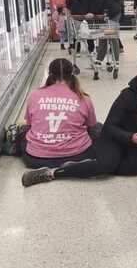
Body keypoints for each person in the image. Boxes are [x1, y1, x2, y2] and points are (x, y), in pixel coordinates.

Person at [20, 58, 119, 187]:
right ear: (72, 74)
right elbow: (91, 126)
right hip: (77, 155)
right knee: (99, 128)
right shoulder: (83, 98)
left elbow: (29, 124)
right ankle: (70, 167)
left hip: (34, 158)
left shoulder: (35, 95)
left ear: (50, 74)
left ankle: (45, 160)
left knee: (24, 133)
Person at [61, 0, 123, 79]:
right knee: (102, 36)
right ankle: (99, 60)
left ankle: (116, 62)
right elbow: (70, 4)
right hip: (103, 15)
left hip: (112, 12)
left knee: (112, 36)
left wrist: (91, 12)